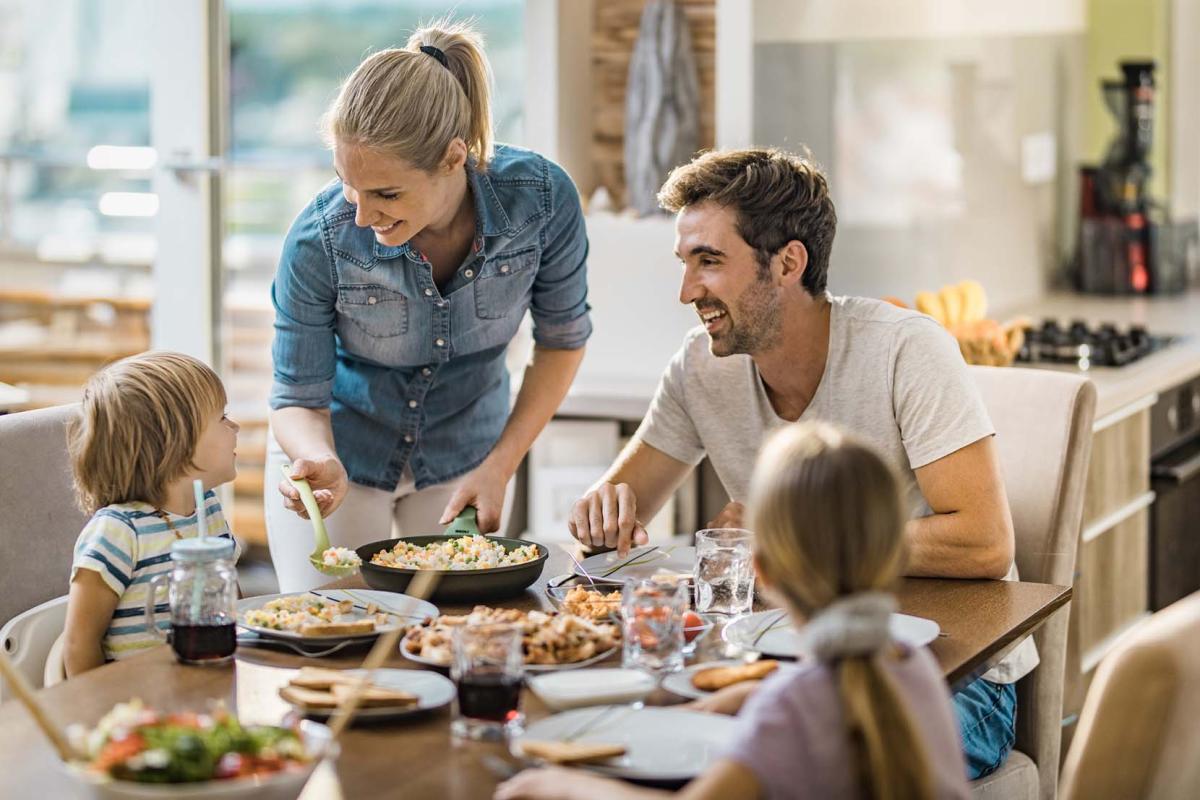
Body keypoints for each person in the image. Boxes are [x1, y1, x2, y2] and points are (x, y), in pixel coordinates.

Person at [566, 148, 1035, 779]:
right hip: (795, 666)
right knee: (637, 739)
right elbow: (620, 508)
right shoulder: (700, 366)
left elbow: (984, 542)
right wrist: (602, 510)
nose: (686, 291)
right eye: (685, 263)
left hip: (951, 679)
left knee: (760, 770)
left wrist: (791, 537)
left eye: (709, 261)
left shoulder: (905, 351)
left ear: (788, 263)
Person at [267, 19, 592, 592]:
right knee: (334, 635)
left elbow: (562, 341)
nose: (363, 216)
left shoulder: (541, 202)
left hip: (469, 451)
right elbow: (296, 396)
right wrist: (317, 458)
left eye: (386, 193)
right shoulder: (319, 238)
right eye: (348, 185)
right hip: (345, 454)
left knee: (452, 635)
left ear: (453, 158)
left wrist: (500, 466)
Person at [498, 423, 969, 800]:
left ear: (759, 570)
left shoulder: (788, 711)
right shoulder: (910, 664)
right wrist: (760, 686)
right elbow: (830, 688)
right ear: (893, 554)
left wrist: (566, 786)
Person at [62, 352, 240, 676]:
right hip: (138, 703)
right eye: (222, 418)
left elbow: (232, 611)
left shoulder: (208, 509)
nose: (235, 426)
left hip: (206, 688)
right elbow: (78, 644)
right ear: (176, 442)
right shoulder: (119, 531)